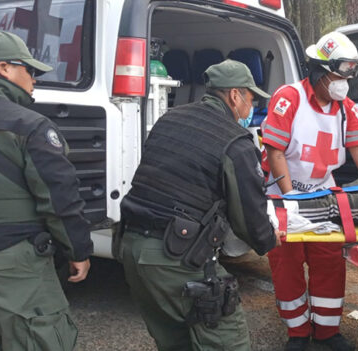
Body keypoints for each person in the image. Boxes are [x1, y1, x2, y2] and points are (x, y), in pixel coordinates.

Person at [118, 59, 280, 351]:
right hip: (175, 255)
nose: (251, 107)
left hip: (132, 248)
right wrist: (270, 238)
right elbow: (249, 219)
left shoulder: (171, 118)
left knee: (175, 341)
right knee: (227, 341)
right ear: (234, 95)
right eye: (251, 98)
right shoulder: (236, 141)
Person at [262, 31, 358, 351]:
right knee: (287, 264)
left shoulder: (346, 108)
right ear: (318, 72)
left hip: (323, 194)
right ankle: (297, 333)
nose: (342, 82)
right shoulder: (290, 98)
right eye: (335, 75)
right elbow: (275, 152)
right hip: (284, 194)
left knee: (329, 262)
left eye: (347, 75)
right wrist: (291, 196)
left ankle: (327, 332)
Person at [0, 30, 93, 350]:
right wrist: (78, 251)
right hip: (12, 261)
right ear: (3, 68)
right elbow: (59, 197)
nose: (34, 79)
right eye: (29, 70)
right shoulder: (29, 125)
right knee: (43, 336)